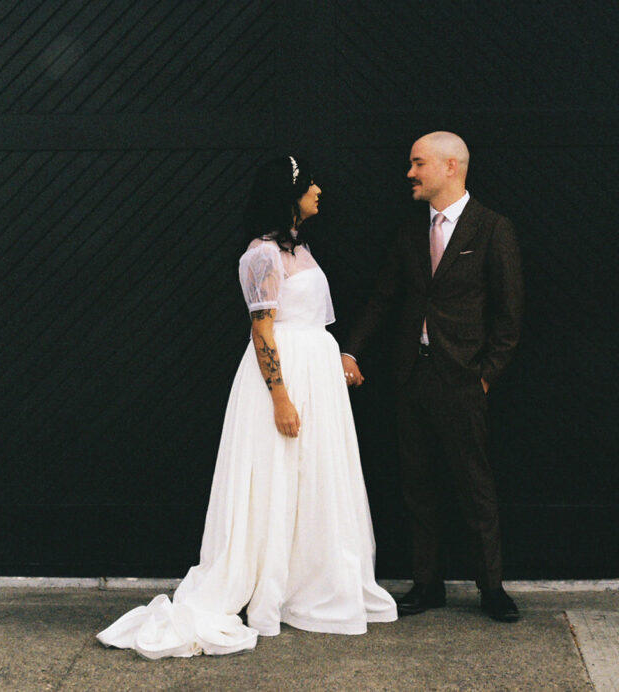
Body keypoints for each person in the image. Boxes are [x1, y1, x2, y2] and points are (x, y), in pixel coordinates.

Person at [96, 156, 397, 659]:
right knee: (276, 476)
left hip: (317, 373)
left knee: (314, 475)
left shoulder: (301, 250)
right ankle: (264, 579)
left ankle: (311, 577)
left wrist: (336, 362)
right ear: (288, 195)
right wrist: (280, 398)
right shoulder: (261, 256)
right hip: (281, 379)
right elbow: (262, 331)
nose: (319, 189)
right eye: (308, 184)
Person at [341, 132, 524, 622]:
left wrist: (485, 376)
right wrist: (351, 350)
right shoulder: (408, 231)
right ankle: (427, 585)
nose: (409, 173)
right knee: (417, 487)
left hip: (463, 381)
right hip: (411, 377)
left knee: (475, 487)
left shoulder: (492, 229)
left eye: (417, 163)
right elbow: (384, 298)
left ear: (450, 166)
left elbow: (509, 317)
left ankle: (491, 588)